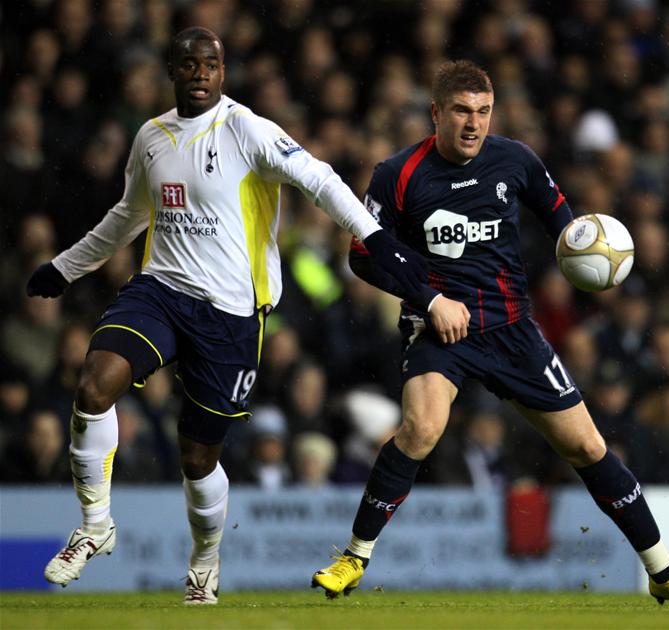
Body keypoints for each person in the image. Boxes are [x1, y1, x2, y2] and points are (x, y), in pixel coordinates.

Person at [25, 27, 426, 606]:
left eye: (209, 64)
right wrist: (65, 268)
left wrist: (376, 237)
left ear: (222, 72)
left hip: (231, 314)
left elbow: (318, 178)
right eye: (188, 64)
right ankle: (94, 524)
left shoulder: (248, 129)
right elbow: (128, 214)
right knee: (93, 385)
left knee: (198, 458)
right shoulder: (151, 136)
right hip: (161, 291)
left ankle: (205, 559)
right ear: (172, 71)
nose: (199, 73)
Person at [311, 60, 669, 607]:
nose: (473, 123)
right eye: (461, 111)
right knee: (421, 428)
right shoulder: (398, 174)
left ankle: (663, 571)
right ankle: (354, 558)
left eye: (483, 111)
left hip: (512, 330)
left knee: (588, 446)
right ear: (436, 112)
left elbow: (564, 226)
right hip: (440, 328)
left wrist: (589, 252)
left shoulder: (516, 160)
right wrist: (430, 300)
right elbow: (363, 257)